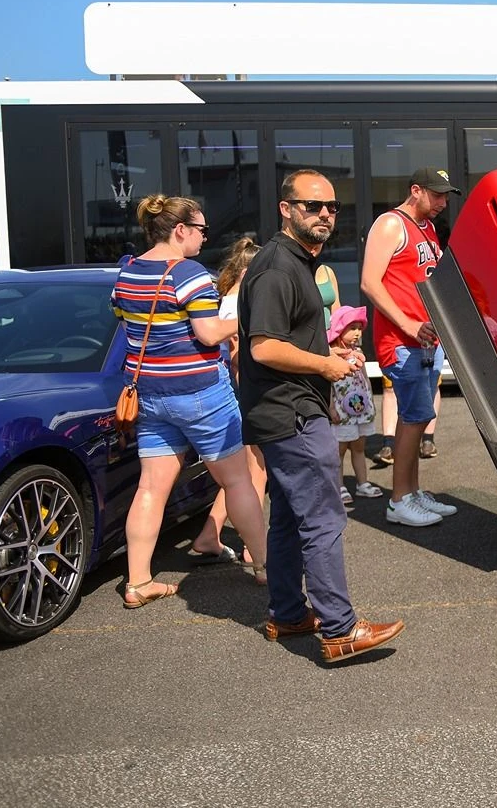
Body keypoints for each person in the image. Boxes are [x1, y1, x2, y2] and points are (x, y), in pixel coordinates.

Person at [240, 169, 404, 663]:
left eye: (332, 207)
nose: (325, 215)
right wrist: (326, 365)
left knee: (291, 518)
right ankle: (340, 629)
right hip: (289, 412)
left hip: (287, 408)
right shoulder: (277, 268)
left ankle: (290, 614)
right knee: (323, 517)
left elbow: (285, 339)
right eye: (312, 206)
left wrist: (326, 356)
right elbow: (265, 348)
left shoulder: (295, 262)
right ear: (286, 209)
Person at [109, 195, 268, 607]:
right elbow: (209, 333)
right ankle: (266, 567)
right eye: (201, 229)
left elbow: (125, 323)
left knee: (150, 487)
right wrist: (248, 319)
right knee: (237, 480)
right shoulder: (189, 273)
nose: (204, 238)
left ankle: (138, 582)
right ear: (180, 230)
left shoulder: (127, 272)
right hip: (200, 393)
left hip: (148, 394)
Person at [360, 167, 460, 528]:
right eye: (437, 194)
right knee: (415, 417)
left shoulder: (427, 228)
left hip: (426, 341)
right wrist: (408, 325)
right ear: (415, 190)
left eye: (446, 195)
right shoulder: (391, 224)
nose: (443, 202)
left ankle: (412, 492)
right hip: (403, 342)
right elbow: (370, 283)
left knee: (416, 418)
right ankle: (399, 499)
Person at [188, 234, 268, 566]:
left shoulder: (224, 300)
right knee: (255, 472)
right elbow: (237, 357)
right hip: (244, 392)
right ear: (247, 272)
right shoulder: (240, 305)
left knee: (241, 475)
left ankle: (210, 534)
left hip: (233, 392)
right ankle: (254, 547)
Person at [327, 305, 382, 504]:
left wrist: (371, 400)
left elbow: (365, 378)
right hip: (341, 410)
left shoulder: (358, 352)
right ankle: (339, 486)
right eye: (352, 328)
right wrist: (330, 407)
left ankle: (363, 483)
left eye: (360, 328)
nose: (358, 332)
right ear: (339, 329)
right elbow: (328, 383)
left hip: (361, 409)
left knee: (359, 447)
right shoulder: (331, 355)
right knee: (339, 450)